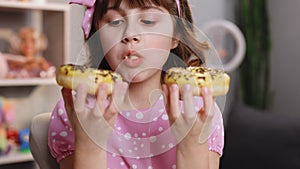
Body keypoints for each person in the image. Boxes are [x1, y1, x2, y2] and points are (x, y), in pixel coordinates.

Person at [48, 0, 225, 169]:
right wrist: (89, 145)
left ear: (175, 36)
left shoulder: (200, 111)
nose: (130, 35)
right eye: (115, 22)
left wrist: (192, 144)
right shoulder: (77, 110)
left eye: (148, 21)